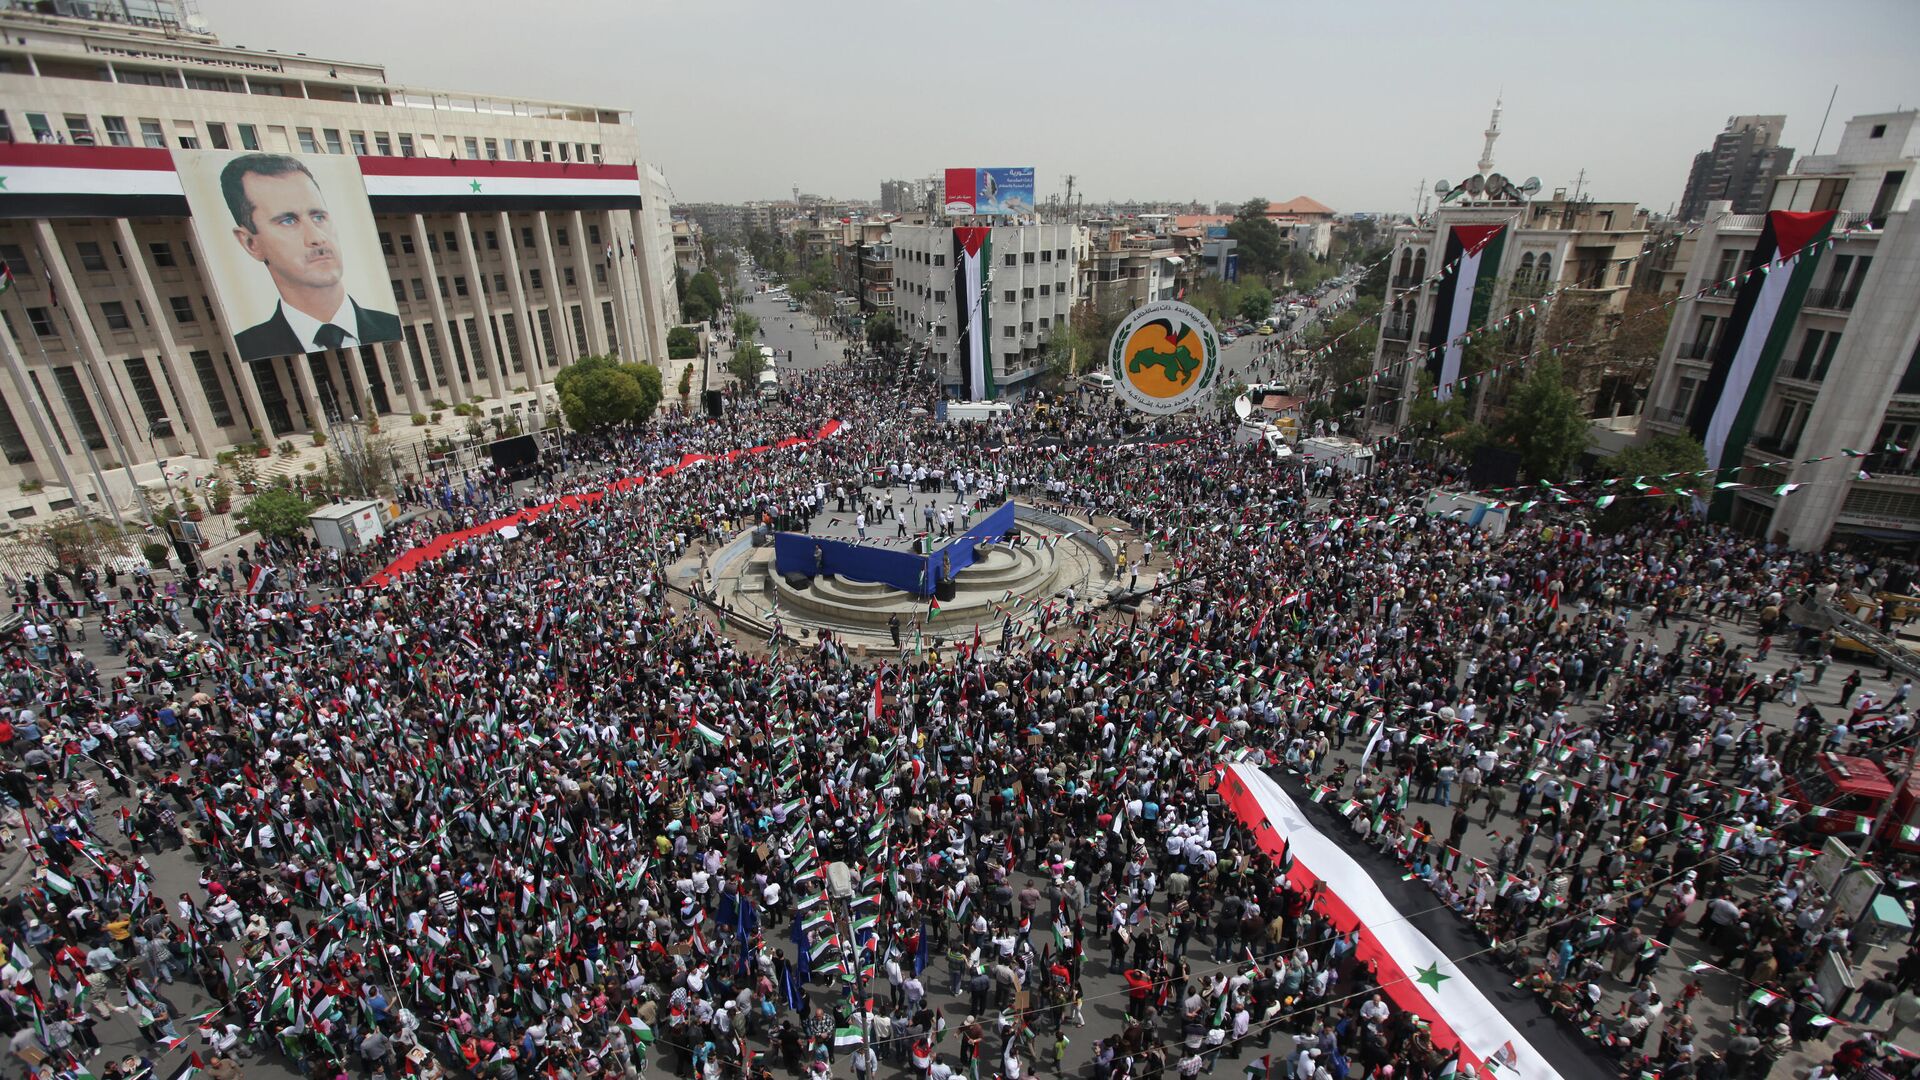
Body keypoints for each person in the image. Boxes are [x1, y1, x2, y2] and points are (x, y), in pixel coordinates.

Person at [220, 152, 400, 359]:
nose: (317, 237)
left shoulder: (390, 324)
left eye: (318, 216)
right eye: (288, 221)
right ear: (251, 243)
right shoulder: (249, 345)